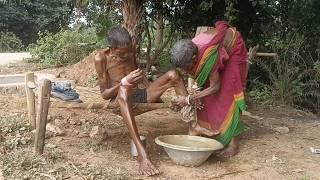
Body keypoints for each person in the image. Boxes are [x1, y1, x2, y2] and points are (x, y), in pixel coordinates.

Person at [94, 26, 215, 176]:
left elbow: (140, 76)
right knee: (124, 90)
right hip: (120, 99)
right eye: (122, 53)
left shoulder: (129, 51)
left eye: (129, 50)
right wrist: (124, 82)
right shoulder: (101, 58)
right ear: (112, 48)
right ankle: (142, 154)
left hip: (139, 95)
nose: (127, 55)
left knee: (173, 74)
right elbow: (104, 94)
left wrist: (154, 93)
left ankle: (193, 125)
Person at [170, 21, 248, 157]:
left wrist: (189, 99)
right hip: (217, 53)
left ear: (195, 58)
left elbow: (215, 87)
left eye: (186, 66)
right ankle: (211, 130)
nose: (185, 70)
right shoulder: (191, 52)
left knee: (230, 96)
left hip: (234, 49)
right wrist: (196, 95)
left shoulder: (207, 56)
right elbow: (199, 77)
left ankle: (234, 144)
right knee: (204, 98)